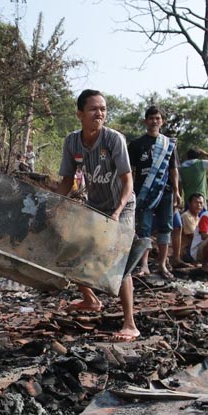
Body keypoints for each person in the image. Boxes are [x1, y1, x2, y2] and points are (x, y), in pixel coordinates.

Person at [56, 89, 140, 342]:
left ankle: (130, 324)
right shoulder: (72, 142)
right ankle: (90, 299)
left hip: (122, 205)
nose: (99, 113)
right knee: (71, 246)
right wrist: (53, 206)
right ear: (80, 114)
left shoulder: (114, 139)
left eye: (103, 109)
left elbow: (128, 182)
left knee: (120, 258)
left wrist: (117, 212)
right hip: (95, 205)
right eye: (93, 109)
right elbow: (66, 180)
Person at [127, 106, 181, 279]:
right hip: (143, 192)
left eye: (158, 118)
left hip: (165, 191)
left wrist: (177, 191)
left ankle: (162, 264)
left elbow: (173, 169)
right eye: (151, 118)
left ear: (162, 121)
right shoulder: (136, 144)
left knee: (166, 227)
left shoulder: (168, 144)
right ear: (145, 121)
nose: (154, 121)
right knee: (144, 228)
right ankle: (143, 265)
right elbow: (130, 170)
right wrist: (129, 191)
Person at [173, 192, 205, 266]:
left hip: (194, 247)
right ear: (189, 204)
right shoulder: (186, 216)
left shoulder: (199, 218)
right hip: (186, 250)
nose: (199, 205)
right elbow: (193, 236)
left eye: (201, 203)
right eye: (196, 202)